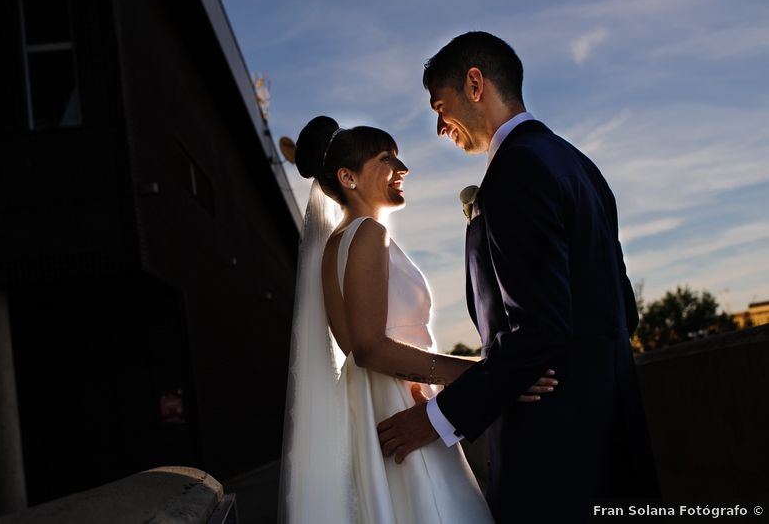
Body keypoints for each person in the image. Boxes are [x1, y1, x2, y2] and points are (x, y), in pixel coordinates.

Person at [376, 31, 660, 523]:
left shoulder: (515, 170)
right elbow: (623, 310)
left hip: (555, 452)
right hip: (615, 431)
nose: (441, 127)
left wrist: (436, 418)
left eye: (440, 107)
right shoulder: (580, 165)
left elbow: (540, 330)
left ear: (475, 83)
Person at [278, 115, 557, 523]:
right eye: (386, 159)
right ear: (347, 177)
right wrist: (482, 374)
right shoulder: (368, 233)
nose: (402, 168)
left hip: (370, 404)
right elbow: (369, 347)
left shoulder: (333, 247)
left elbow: (353, 347)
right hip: (399, 408)